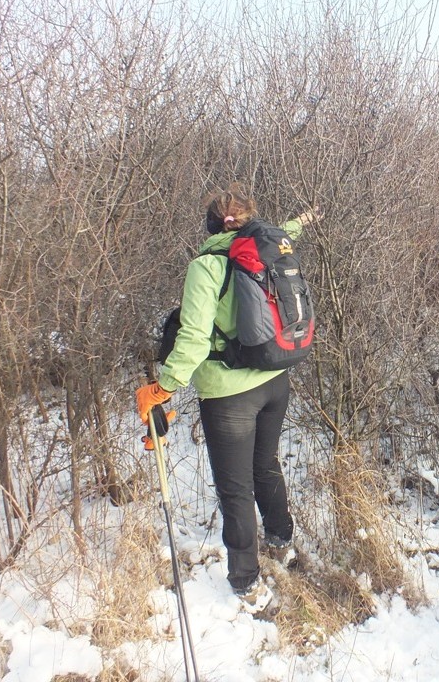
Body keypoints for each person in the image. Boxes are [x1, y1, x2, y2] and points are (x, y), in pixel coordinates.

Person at [135, 183, 319, 612]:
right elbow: (287, 228)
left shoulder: (206, 266)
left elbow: (194, 339)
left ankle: (246, 583)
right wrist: (304, 220)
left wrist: (163, 388)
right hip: (274, 380)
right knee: (266, 465)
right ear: (250, 220)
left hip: (228, 396)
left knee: (235, 490)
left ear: (211, 226)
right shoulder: (269, 249)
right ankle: (281, 541)